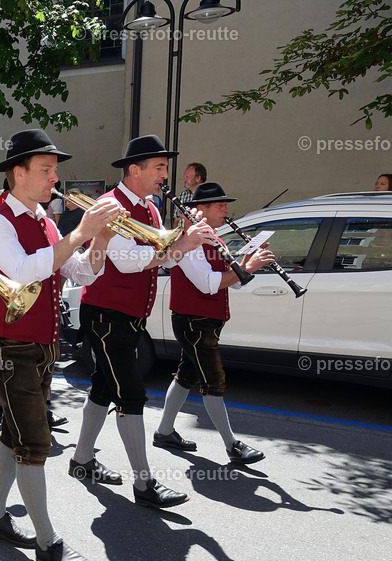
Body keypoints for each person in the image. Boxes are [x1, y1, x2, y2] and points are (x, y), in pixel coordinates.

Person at [0, 130, 117, 561]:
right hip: (10, 343)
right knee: (35, 442)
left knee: (13, 433)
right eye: (46, 169)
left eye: (54, 170)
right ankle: (47, 542)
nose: (55, 177)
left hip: (41, 342)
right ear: (18, 173)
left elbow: (80, 272)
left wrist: (100, 240)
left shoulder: (45, 219)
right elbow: (22, 271)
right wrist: (80, 232)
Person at [70, 135, 214, 509]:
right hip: (107, 314)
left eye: (165, 168)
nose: (165, 175)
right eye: (159, 168)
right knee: (131, 393)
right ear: (135, 170)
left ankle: (81, 460)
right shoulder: (110, 206)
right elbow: (129, 262)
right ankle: (144, 483)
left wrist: (183, 240)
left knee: (104, 386)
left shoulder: (149, 208)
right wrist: (181, 244)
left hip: (129, 315)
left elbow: (160, 256)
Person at [154, 182, 274, 464]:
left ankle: (164, 432)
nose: (226, 210)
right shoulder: (188, 242)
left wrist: (247, 262)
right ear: (201, 210)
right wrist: (247, 267)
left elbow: (234, 283)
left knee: (186, 376)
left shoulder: (215, 239)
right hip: (193, 322)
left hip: (207, 321)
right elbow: (208, 284)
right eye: (220, 205)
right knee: (213, 381)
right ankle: (232, 445)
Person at [173, 162, 207, 229]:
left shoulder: (208, 196)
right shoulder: (182, 195)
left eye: (187, 177)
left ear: (198, 178)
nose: (184, 180)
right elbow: (176, 220)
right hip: (182, 234)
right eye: (184, 177)